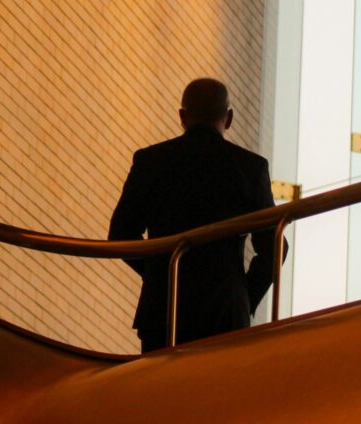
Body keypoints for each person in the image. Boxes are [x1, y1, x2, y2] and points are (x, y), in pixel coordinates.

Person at [109, 78, 286, 353]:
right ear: (229, 118)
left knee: (161, 392)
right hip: (225, 311)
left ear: (182, 116)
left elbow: (121, 235)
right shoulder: (249, 168)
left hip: (165, 309)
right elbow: (275, 245)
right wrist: (244, 296)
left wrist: (161, 271)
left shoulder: (151, 161)